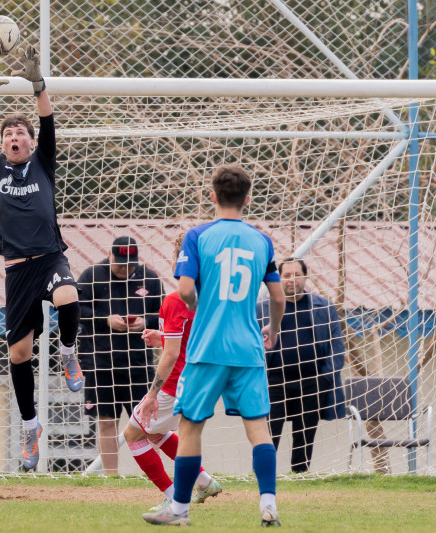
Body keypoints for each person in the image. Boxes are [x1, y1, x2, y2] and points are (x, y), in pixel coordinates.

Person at [143, 164, 285, 527]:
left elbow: (186, 289)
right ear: (247, 199)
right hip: (248, 349)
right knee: (258, 428)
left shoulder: (198, 236)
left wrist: (195, 306)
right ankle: (268, 503)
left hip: (207, 350)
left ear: (212, 196)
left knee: (190, 427)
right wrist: (274, 327)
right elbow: (278, 296)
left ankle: (179, 510)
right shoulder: (261, 240)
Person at [0, 46, 83, 472]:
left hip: (50, 258)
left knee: (69, 296)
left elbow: (49, 121)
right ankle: (31, 427)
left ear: (31, 144)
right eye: (8, 136)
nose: (14, 139)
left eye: (21, 134)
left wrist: (39, 86)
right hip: (17, 271)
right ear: (3, 145)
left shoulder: (43, 162)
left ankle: (69, 353)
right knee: (19, 354)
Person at [123, 233, 222, 511]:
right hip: (205, 380)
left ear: (182, 261)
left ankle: (172, 496)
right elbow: (193, 338)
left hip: (176, 383)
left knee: (132, 434)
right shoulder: (214, 297)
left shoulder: (175, 299)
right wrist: (164, 336)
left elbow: (172, 354)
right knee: (154, 432)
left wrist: (153, 393)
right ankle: (202, 481)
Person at [77, 236, 163, 474]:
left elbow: (163, 312)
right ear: (111, 255)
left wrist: (146, 321)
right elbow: (76, 310)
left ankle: (153, 475)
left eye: (131, 264)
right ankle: (111, 478)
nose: (126, 269)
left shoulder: (150, 278)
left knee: (147, 424)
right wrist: (105, 320)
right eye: (121, 263)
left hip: (138, 363)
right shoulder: (92, 275)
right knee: (106, 421)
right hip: (101, 362)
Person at [256, 258, 346, 473]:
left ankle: (300, 478)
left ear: (306, 277)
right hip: (273, 383)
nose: (292, 279)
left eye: (297, 274)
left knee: (304, 437)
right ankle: (263, 477)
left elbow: (337, 347)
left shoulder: (323, 308)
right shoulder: (260, 309)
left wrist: (324, 379)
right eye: (286, 275)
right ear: (278, 279)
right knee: (268, 434)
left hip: (312, 383)